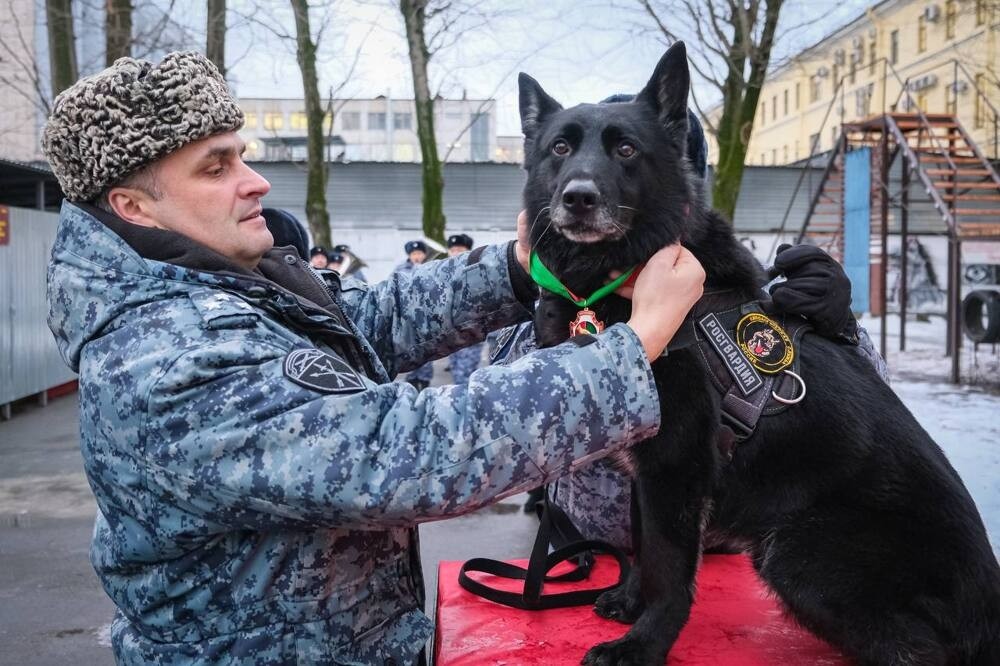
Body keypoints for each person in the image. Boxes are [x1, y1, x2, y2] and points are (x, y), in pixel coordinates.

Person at [42, 51, 706, 665]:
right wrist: (634, 346)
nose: (255, 182)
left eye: (241, 156)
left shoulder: (225, 286)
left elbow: (365, 324)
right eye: (216, 168)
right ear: (134, 207)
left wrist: (517, 270)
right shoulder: (163, 359)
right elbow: (408, 456)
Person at [494, 100, 890, 544]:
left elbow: (857, 413)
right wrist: (553, 320)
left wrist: (840, 331)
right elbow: (504, 417)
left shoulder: (731, 284)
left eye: (626, 157)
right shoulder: (547, 284)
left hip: (733, 555)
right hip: (589, 551)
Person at [444, 233, 484, 385]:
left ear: (468, 250)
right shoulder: (444, 272)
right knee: (456, 372)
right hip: (451, 332)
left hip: (470, 332)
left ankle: (469, 407)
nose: (455, 253)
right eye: (452, 250)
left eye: (459, 249)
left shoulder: (477, 270)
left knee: (467, 375)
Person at [396, 239, 435, 390]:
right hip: (407, 317)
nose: (417, 256)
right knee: (409, 348)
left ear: (424, 255)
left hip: (425, 316)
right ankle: (412, 378)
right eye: (414, 254)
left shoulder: (431, 267)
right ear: (409, 255)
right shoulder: (400, 269)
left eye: (419, 253)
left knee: (427, 348)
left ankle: (425, 380)